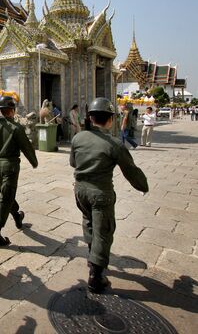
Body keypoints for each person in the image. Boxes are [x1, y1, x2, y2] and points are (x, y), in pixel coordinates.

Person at [70, 97, 148, 293]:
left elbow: (73, 163)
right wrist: (143, 186)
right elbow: (131, 171)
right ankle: (96, 276)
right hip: (100, 193)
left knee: (88, 223)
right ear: (110, 119)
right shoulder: (113, 144)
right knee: (103, 232)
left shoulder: (78, 138)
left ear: (90, 117)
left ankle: (91, 256)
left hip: (80, 190)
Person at [0, 96, 38, 247]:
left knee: (7, 195)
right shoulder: (16, 128)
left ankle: (16, 215)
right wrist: (34, 162)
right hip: (10, 166)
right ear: (12, 110)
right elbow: (26, 147)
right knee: (5, 198)